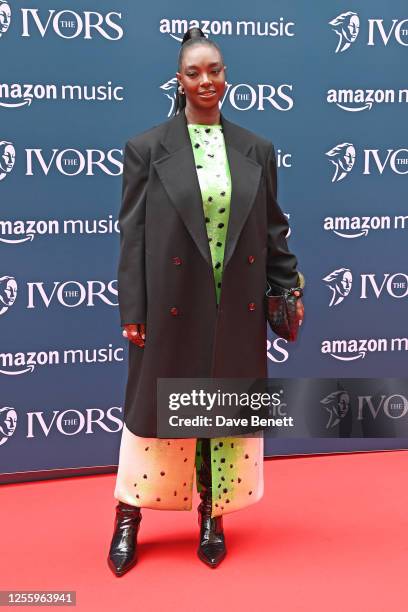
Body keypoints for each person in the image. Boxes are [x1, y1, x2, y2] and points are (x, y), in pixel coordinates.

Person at [108, 26, 304, 576]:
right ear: (179, 79)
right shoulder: (148, 148)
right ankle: (128, 516)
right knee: (151, 418)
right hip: (172, 303)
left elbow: (272, 232)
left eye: (214, 70)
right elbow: (135, 236)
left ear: (225, 76)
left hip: (234, 305)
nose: (206, 81)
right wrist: (134, 311)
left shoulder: (255, 149)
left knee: (223, 414)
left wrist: (286, 288)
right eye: (194, 72)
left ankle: (213, 514)